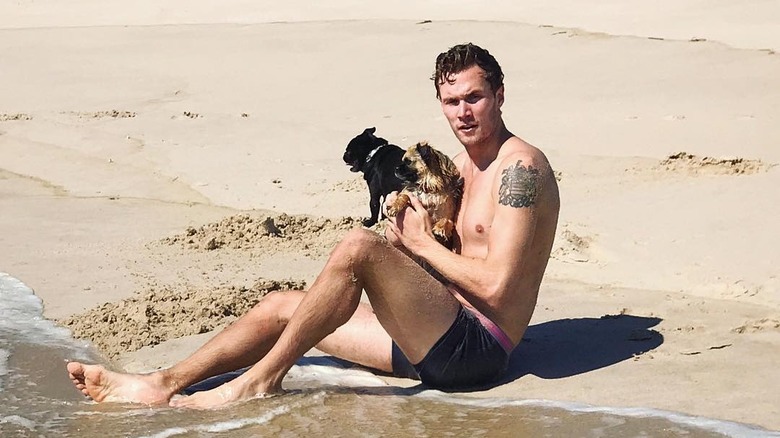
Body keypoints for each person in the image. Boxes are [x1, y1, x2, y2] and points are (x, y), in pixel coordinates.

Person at [66, 42, 560, 409]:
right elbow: (442, 264)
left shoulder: (521, 170)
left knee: (356, 247)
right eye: (452, 103)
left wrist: (418, 247)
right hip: (431, 336)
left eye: (474, 97)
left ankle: (259, 380)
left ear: (499, 94)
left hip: (476, 353)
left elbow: (496, 287)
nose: (463, 113)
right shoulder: (459, 165)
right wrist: (410, 241)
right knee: (282, 306)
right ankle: (161, 383)